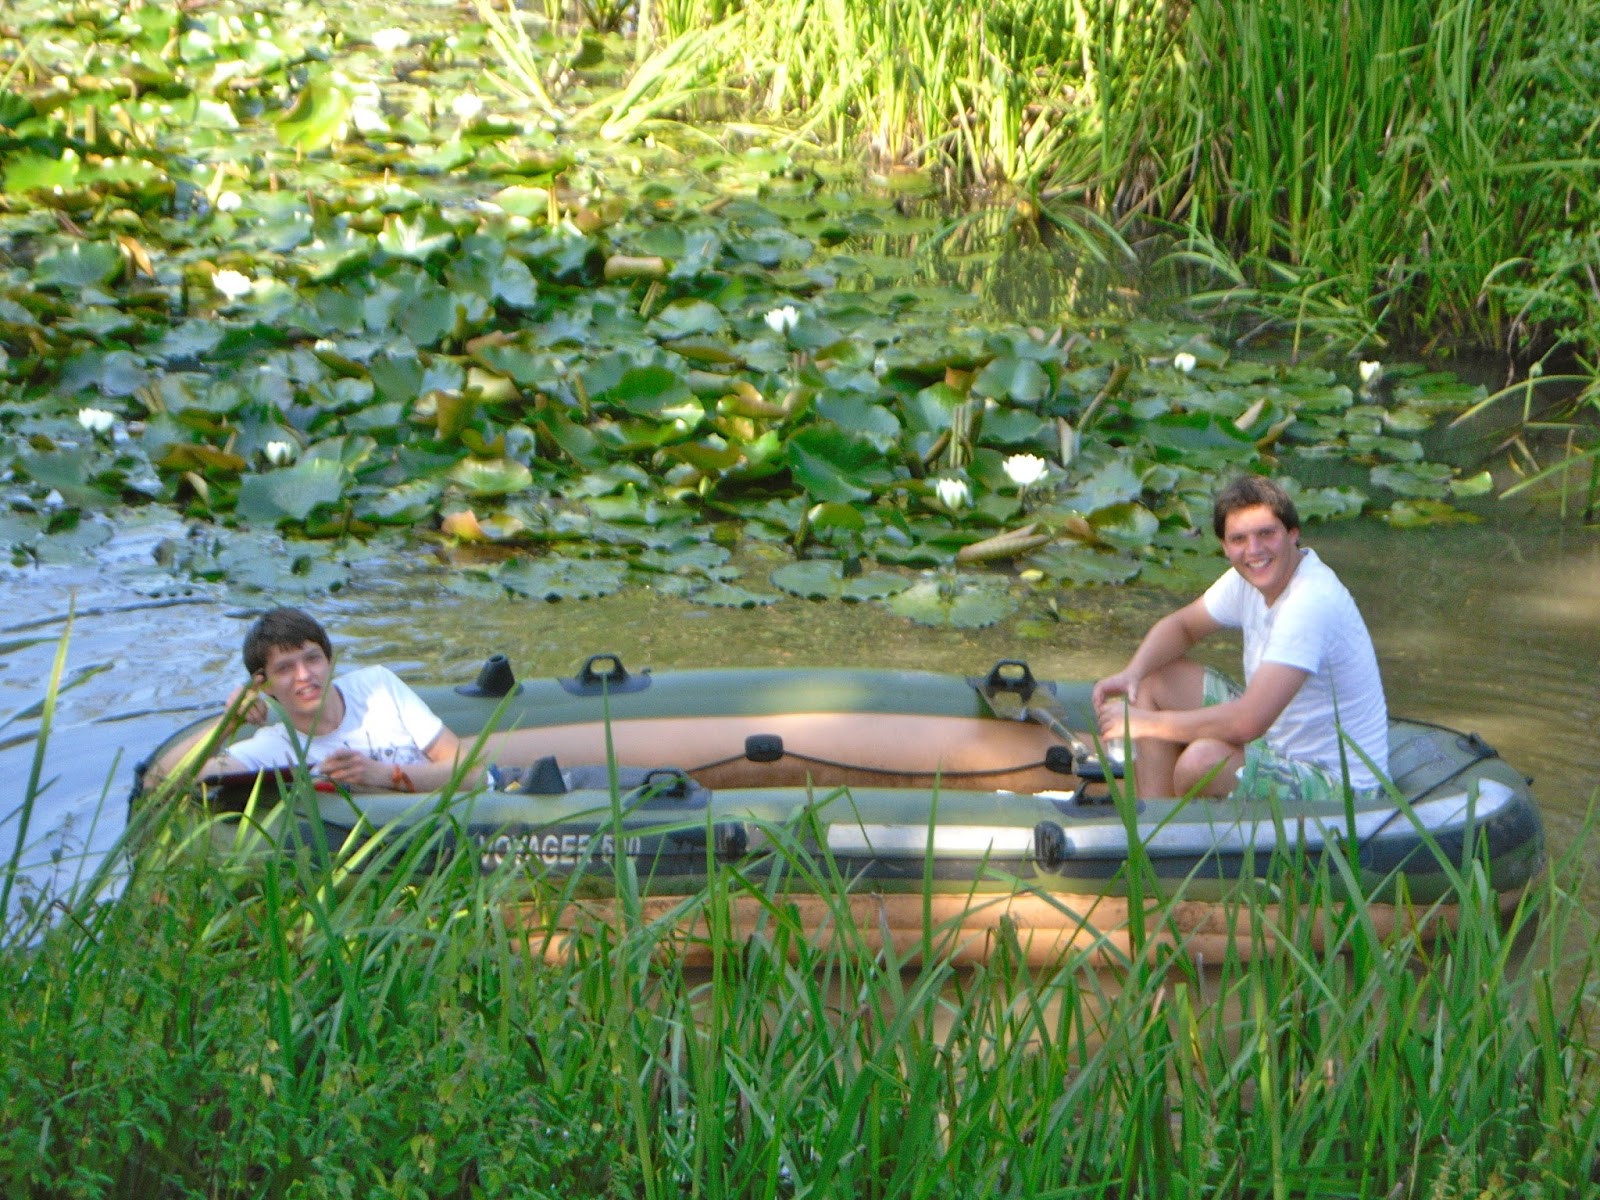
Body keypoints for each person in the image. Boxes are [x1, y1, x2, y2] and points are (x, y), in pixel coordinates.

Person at [1091, 475, 1388, 801]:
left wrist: (1148, 724)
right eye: (1239, 539)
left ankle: (1169, 821)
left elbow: (1248, 722)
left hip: (1340, 784)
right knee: (1155, 676)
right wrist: (1132, 673)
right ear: (1225, 546)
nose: (1254, 550)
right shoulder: (1247, 577)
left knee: (1201, 763)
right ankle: (1154, 814)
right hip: (1275, 742)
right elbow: (1183, 627)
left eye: (1266, 534)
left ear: (1293, 533)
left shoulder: (1309, 601)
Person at [150, 607, 482, 793]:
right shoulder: (271, 749)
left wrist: (382, 775)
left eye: (312, 659)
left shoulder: (376, 686)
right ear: (264, 685)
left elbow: (471, 773)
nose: (304, 675)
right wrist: (229, 723)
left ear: (330, 661)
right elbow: (160, 781)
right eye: (285, 668)